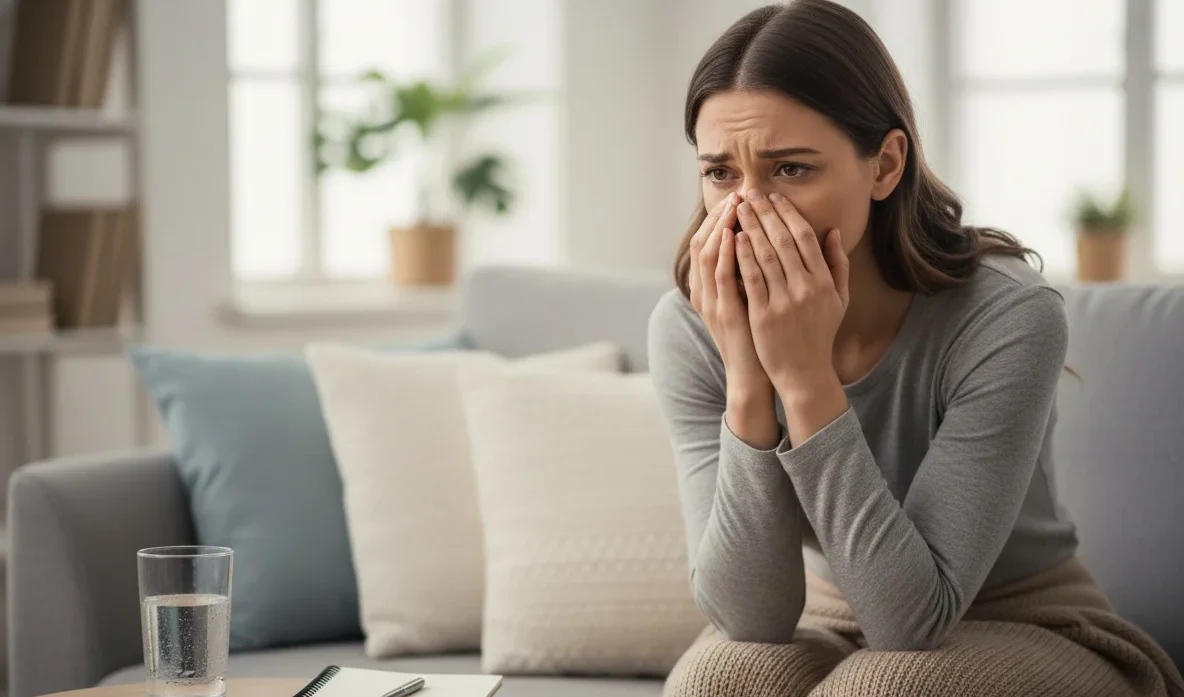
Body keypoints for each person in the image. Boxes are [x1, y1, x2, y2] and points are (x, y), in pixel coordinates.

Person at [646, 2, 1184, 695]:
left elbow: (910, 622)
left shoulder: (1005, 315)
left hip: (1033, 621)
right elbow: (749, 617)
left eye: (790, 170)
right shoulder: (692, 326)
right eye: (721, 173)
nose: (748, 210)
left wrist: (805, 378)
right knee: (717, 681)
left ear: (886, 164)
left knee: (883, 689)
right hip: (834, 618)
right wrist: (748, 377)